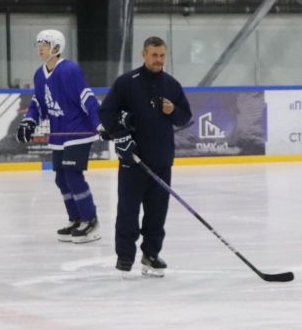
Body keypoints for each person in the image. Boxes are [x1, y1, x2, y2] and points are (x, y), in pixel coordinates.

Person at [98, 36, 192, 277]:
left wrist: (173, 110)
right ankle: (125, 257)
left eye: (162, 55)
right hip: (134, 161)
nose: (158, 60)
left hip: (162, 161)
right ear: (144, 54)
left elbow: (185, 116)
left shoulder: (171, 84)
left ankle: (151, 254)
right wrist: (120, 137)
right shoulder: (126, 83)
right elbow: (106, 112)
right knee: (128, 212)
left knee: (156, 213)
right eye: (154, 55)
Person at [16, 30, 101, 243]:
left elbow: (86, 97)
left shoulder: (69, 69)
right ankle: (76, 219)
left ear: (56, 47)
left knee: (72, 175)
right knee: (61, 179)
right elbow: (38, 103)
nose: (40, 48)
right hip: (58, 133)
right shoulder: (39, 74)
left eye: (44, 44)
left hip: (78, 131)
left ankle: (90, 221)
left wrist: (99, 123)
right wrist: (29, 121)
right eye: (39, 44)